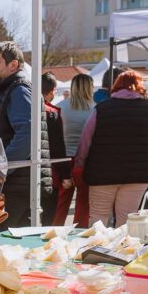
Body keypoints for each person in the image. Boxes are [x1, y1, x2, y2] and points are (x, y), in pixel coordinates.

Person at [74, 70, 148, 228]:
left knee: (98, 218)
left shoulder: (102, 108)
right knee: (126, 220)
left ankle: (96, 244)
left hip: (102, 173)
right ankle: (125, 244)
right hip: (138, 174)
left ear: (116, 85)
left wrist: (79, 163)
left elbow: (85, 140)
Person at [0, 41, 49, 229]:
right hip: (19, 182)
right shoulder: (12, 88)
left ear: (13, 65)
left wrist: (1, 168)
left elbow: (27, 134)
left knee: (4, 240)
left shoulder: (19, 90)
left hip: (18, 184)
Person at [58, 73, 94, 227]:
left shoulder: (61, 106)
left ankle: (54, 230)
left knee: (61, 202)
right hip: (85, 160)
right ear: (89, 87)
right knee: (83, 202)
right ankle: (80, 232)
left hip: (63, 159)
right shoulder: (94, 109)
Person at [41, 73, 69, 225]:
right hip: (51, 174)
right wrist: (65, 175)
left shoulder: (23, 107)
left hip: (23, 174)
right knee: (48, 218)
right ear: (53, 90)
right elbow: (58, 145)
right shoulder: (52, 112)